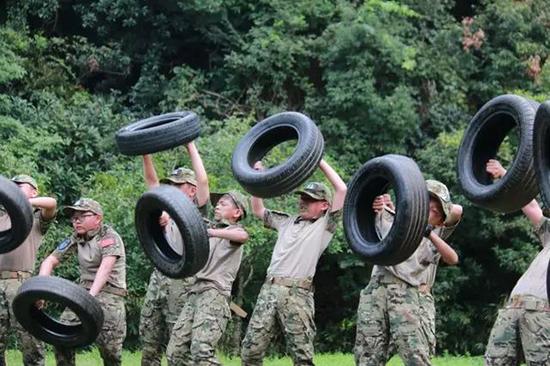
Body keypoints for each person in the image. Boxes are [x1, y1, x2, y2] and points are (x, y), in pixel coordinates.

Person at [240, 159, 347, 366]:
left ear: (325, 206)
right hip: (269, 290)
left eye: (310, 199)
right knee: (250, 351)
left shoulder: (325, 226)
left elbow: (342, 189)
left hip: (297, 293)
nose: (303, 202)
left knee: (302, 356)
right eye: (303, 197)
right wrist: (258, 178)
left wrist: (316, 159)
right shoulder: (286, 221)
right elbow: (257, 210)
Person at [354, 179, 462, 366]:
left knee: (415, 356)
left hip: (409, 296)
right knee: (368, 356)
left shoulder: (437, 234)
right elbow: (364, 215)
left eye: (436, 211)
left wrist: (428, 228)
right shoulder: (392, 218)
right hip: (377, 291)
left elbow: (457, 214)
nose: (431, 210)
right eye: (426, 203)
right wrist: (389, 204)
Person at [140, 141, 210, 366]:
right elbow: (152, 183)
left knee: (177, 344)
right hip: (159, 278)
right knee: (149, 339)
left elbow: (203, 181)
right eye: (169, 184)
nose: (170, 188)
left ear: (191, 190)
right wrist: (145, 153)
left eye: (177, 185)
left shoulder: (196, 211)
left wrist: (190, 145)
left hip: (182, 281)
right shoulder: (162, 211)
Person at [38, 198, 126, 366]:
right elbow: (49, 261)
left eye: (82, 216)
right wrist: (40, 292)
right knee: (61, 336)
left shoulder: (109, 237)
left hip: (109, 295)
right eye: (73, 217)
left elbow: (105, 269)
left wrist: (89, 300)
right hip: (83, 293)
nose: (76, 220)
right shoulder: (76, 238)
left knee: (110, 353)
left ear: (98, 218)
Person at [166, 191, 249, 365]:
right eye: (217, 203)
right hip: (195, 292)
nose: (217, 205)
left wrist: (211, 232)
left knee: (202, 350)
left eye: (224, 203)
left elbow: (243, 236)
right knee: (175, 352)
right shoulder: (209, 229)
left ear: (237, 213)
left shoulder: (233, 230)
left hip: (215, 294)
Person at [484, 159, 550, 365]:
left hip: (543, 311)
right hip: (513, 306)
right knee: (494, 362)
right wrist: (506, 175)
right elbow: (530, 206)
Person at [0, 175, 56, 366]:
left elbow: (51, 203)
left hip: (21, 283)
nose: (13, 189)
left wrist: (22, 201)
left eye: (19, 186)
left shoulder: (35, 220)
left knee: (31, 339)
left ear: (34, 191)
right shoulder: (1, 217)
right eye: (11, 186)